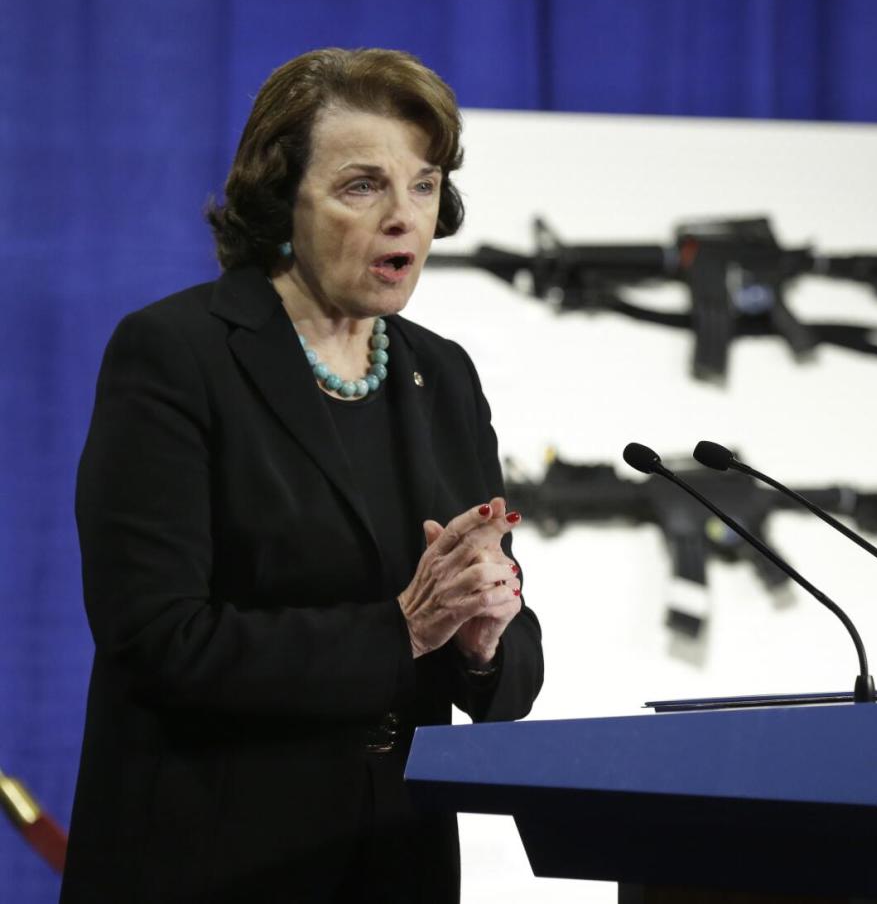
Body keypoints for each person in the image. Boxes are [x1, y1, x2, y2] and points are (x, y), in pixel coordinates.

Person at [61, 48, 543, 903]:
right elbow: (158, 643)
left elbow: (506, 662)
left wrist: (482, 640)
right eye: (364, 186)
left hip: (397, 860)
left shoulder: (444, 376)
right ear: (282, 197)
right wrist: (399, 631)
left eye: (425, 186)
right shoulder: (177, 356)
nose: (405, 217)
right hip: (211, 861)